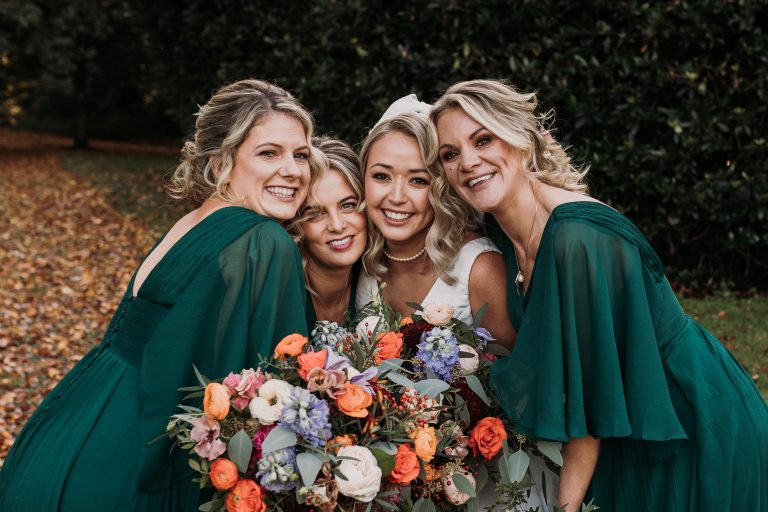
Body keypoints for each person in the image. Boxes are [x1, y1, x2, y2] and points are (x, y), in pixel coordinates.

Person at [429, 78, 768, 512]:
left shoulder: (574, 236)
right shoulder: (503, 232)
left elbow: (587, 403)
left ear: (520, 139)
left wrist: (565, 508)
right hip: (624, 424)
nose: (469, 162)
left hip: (688, 421)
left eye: (483, 139)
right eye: (450, 154)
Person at [0, 79, 322, 510]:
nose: (293, 170)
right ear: (219, 163)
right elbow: (276, 403)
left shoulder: (192, 221)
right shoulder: (264, 241)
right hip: (129, 472)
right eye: (269, 153)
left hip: (65, 433)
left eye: (300, 155)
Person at [355, 96, 516, 348]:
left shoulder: (479, 269)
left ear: (441, 189)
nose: (396, 197)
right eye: (381, 176)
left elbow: (514, 374)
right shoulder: (356, 255)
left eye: (418, 180)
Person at [290, 135, 365, 327]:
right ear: (296, 224)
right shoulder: (284, 290)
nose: (337, 225)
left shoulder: (377, 281)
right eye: (315, 214)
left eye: (348, 205)